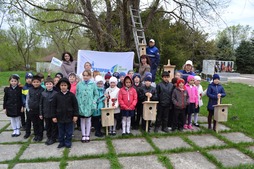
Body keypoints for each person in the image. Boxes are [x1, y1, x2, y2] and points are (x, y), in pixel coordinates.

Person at [52, 78, 79, 148]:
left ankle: (68, 141)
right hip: (59, 117)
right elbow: (53, 106)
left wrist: (75, 115)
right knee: (61, 131)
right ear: (59, 86)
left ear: (68, 86)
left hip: (69, 117)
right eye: (61, 85)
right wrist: (54, 116)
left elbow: (75, 106)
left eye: (65, 85)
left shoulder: (71, 95)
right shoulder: (56, 95)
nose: (63, 87)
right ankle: (61, 142)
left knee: (69, 131)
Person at [76, 70, 99, 143]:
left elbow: (96, 94)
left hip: (89, 105)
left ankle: (87, 135)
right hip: (81, 105)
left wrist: (94, 101)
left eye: (87, 75)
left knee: (88, 120)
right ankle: (83, 135)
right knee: (82, 120)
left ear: (90, 76)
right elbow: (77, 94)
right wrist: (78, 103)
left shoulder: (93, 84)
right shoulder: (79, 84)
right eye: (84, 75)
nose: (85, 77)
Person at [25, 75, 45, 141]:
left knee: (40, 123)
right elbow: (27, 99)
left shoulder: (42, 90)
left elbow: (43, 101)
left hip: (39, 111)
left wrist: (41, 112)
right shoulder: (30, 90)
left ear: (40, 82)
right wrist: (28, 108)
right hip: (31, 110)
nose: (36, 83)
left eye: (37, 82)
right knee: (34, 123)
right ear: (32, 82)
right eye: (34, 82)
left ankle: (40, 135)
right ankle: (36, 135)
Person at [39, 77, 58, 145]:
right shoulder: (43, 93)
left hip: (53, 114)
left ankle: (53, 138)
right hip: (46, 113)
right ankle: (49, 137)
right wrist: (41, 113)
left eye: (50, 84)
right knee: (48, 126)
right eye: (47, 84)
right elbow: (41, 104)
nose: (49, 85)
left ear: (53, 84)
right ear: (45, 85)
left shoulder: (56, 93)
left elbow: (57, 104)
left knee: (54, 126)